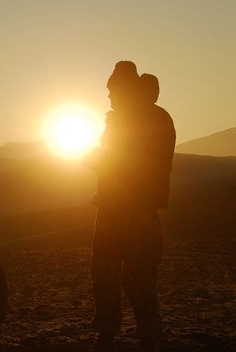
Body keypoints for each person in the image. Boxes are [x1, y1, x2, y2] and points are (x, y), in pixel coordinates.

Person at [84, 61, 176, 352]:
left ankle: (136, 332)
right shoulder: (143, 117)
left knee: (129, 274)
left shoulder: (141, 119)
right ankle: (134, 331)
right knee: (113, 271)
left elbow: (129, 164)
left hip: (130, 208)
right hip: (124, 207)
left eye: (112, 91)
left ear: (124, 90)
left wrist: (96, 159)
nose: (109, 97)